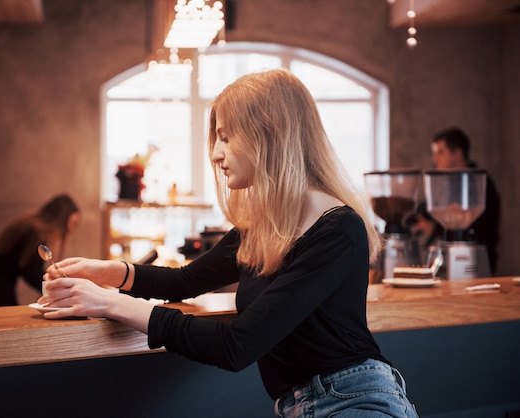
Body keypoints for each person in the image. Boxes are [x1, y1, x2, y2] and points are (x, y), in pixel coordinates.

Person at [39, 70, 418, 417]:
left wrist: (110, 303)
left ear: (270, 133)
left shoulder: (337, 230)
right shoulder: (264, 226)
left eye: (226, 136)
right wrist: (106, 271)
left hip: (356, 401)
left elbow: (236, 346)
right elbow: (183, 282)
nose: (216, 153)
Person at [409, 127, 501, 272]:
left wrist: (434, 228)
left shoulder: (481, 185)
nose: (434, 159)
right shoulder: (448, 184)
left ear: (457, 153)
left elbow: (479, 227)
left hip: (476, 264)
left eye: (440, 152)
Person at [0, 194, 80, 307]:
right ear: (62, 218)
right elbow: (31, 270)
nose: (72, 229)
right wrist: (54, 287)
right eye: (73, 223)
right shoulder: (35, 232)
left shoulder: (30, 225)